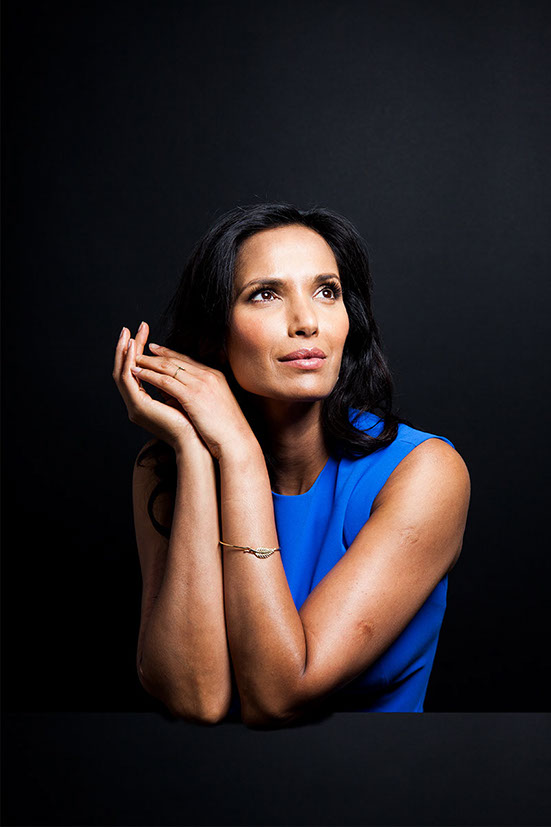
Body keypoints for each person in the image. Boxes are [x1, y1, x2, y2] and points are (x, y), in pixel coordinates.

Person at [112, 202, 471, 727]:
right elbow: (196, 698)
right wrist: (194, 449)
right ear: (216, 333)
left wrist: (238, 452)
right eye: (265, 294)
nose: (307, 323)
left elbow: (278, 695)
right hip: (208, 779)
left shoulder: (424, 474)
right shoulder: (164, 466)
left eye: (327, 291)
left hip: (378, 773)